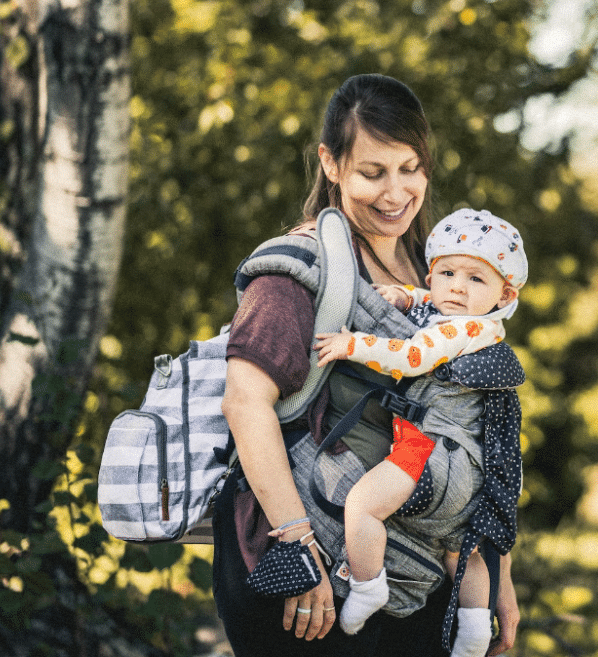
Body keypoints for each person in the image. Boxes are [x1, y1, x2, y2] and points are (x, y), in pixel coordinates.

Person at [215, 74, 520, 657]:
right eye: (373, 172)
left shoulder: (440, 267)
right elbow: (244, 401)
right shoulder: (299, 265)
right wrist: (296, 547)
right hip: (313, 566)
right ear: (331, 164)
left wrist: (497, 575)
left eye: (411, 168)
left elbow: (479, 425)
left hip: (422, 572)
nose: (396, 192)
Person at [312, 208, 526, 657]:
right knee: (459, 552)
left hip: (426, 451)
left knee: (362, 506)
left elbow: (412, 356)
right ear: (432, 274)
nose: (457, 287)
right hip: (468, 471)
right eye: (446, 272)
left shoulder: (460, 327)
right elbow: (432, 303)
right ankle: (472, 631)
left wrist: (353, 345)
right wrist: (408, 297)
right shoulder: (482, 327)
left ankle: (368, 586)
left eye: (475, 280)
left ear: (505, 293)